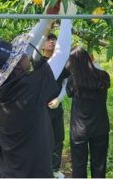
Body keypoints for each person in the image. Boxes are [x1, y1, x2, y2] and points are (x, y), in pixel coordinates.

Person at [0, 1, 76, 178]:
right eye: (20, 56)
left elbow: (27, 46)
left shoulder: (2, 85)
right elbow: (61, 54)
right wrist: (67, 18)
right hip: (31, 170)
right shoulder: (30, 87)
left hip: (10, 168)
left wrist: (45, 18)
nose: (25, 53)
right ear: (18, 67)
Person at [66, 47, 111, 178]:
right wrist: (93, 61)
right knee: (99, 165)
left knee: (79, 165)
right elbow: (99, 69)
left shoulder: (73, 81)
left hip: (79, 130)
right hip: (100, 127)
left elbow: (69, 93)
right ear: (89, 58)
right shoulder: (103, 76)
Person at [36, 32, 71, 179]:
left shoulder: (61, 63)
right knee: (42, 138)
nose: (51, 42)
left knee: (58, 137)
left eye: (54, 39)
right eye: (48, 39)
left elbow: (66, 82)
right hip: (40, 107)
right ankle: (41, 169)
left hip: (56, 106)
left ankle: (54, 169)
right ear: (42, 45)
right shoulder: (38, 62)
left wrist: (59, 99)